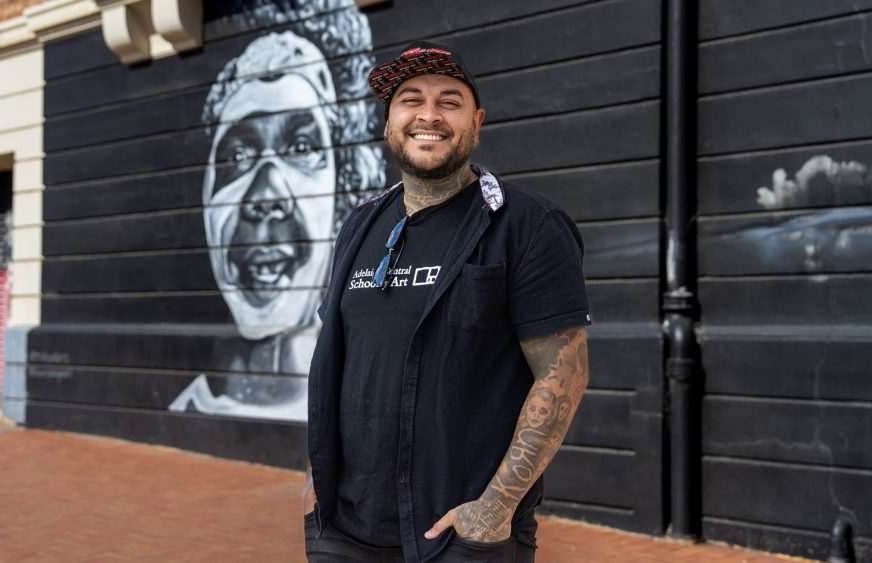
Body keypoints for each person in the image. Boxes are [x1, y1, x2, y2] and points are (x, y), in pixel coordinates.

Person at [304, 41, 592, 562]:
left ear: (476, 122)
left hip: (458, 534)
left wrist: (494, 508)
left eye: (450, 102)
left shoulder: (526, 226)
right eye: (410, 100)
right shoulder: (359, 225)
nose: (429, 115)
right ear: (388, 123)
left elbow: (562, 374)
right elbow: (340, 361)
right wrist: (315, 480)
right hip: (345, 530)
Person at [167, 0, 384, 422]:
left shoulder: (367, 411)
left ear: (345, 191)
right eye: (237, 155)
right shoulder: (184, 408)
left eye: (302, 148)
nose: (266, 195)